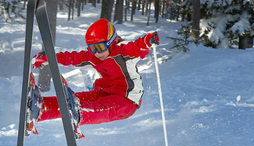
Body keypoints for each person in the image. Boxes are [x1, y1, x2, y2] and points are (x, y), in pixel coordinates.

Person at [28, 18, 159, 137]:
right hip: (103, 93)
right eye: (92, 48)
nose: (96, 52)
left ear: (111, 42)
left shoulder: (123, 52)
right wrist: (49, 58)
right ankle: (42, 108)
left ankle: (80, 113)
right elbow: (73, 58)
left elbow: (137, 47)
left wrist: (147, 41)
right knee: (74, 100)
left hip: (126, 100)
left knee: (97, 108)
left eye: (99, 47)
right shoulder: (95, 57)